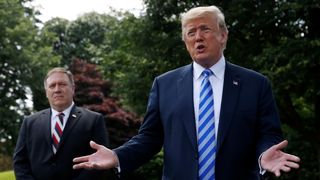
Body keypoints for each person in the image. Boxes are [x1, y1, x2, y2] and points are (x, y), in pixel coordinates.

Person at [73, 5, 300, 180]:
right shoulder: (165, 84)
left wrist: (264, 156)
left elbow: (269, 134)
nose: (197, 37)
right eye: (191, 32)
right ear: (186, 42)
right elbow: (150, 138)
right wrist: (118, 156)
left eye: (205, 29)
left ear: (223, 35)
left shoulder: (255, 84)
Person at [13, 67, 110, 180]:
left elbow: (100, 161)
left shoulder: (93, 120)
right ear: (46, 92)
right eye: (52, 86)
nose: (57, 89)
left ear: (73, 88)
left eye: (62, 84)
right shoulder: (29, 122)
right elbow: (20, 162)